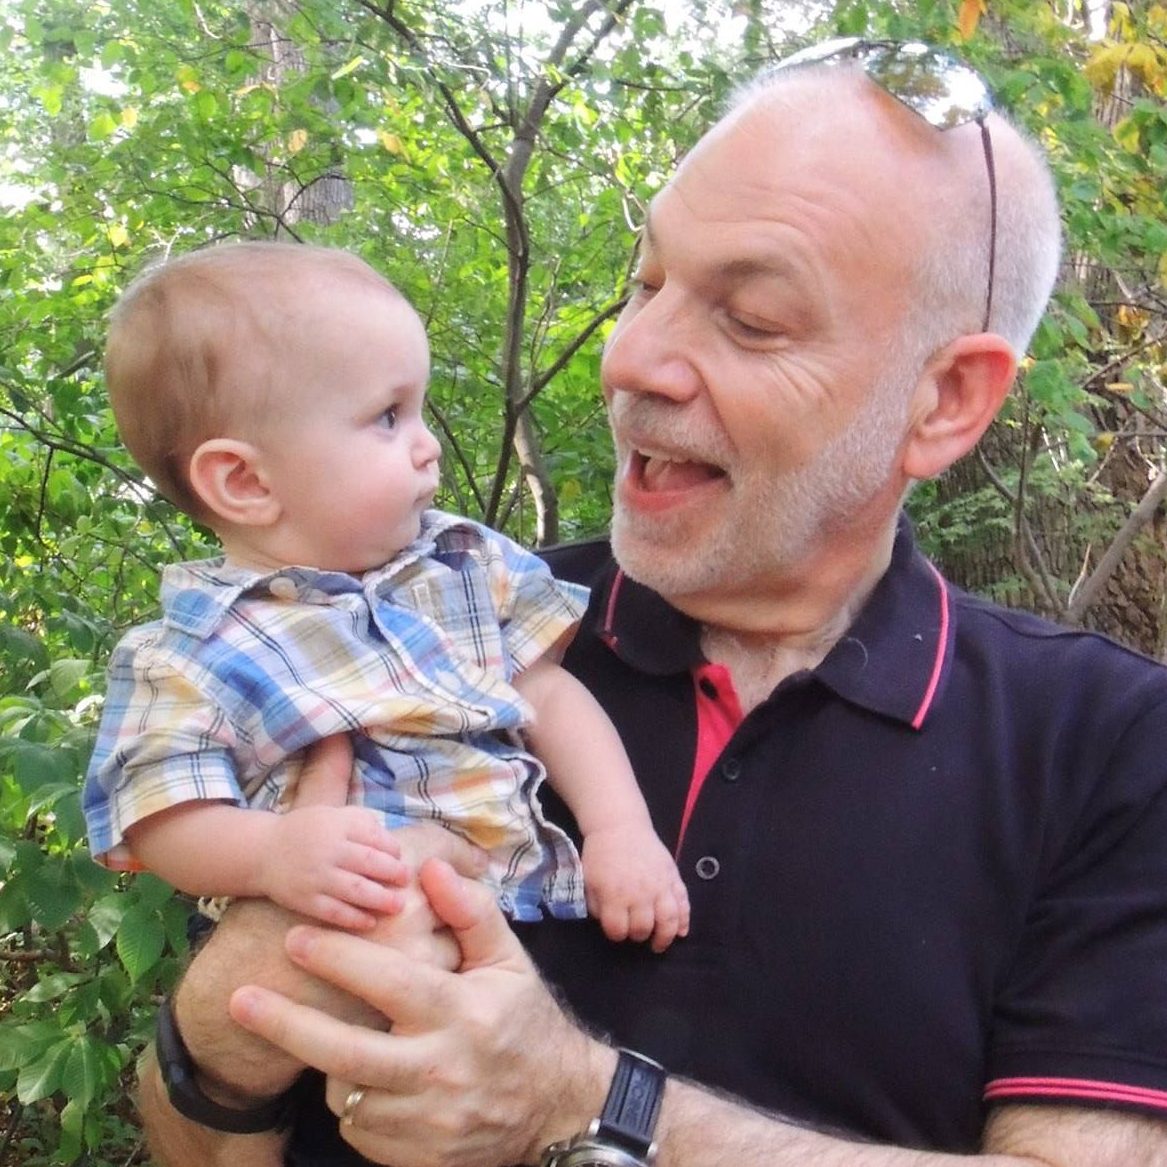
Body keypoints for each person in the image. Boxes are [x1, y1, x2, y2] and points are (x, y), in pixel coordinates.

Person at [137, 39, 1167, 1167]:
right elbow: (198, 1144)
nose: (633, 358)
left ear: (947, 402)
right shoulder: (419, 629)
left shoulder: (1109, 745)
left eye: (753, 319)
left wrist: (582, 1103)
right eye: (647, 283)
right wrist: (238, 1007)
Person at [83, 242, 689, 1163]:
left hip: (532, 932)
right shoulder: (196, 649)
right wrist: (275, 851)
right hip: (357, 988)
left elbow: (547, 693)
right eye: (385, 416)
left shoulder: (462, 562)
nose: (426, 441)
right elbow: (159, 811)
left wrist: (619, 832)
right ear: (244, 481)